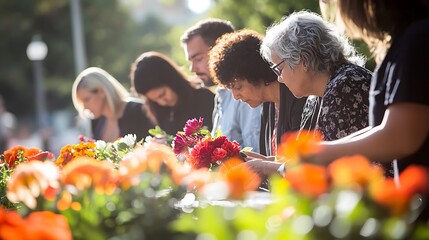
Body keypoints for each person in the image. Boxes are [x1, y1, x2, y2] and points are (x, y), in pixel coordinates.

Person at [245, 10, 373, 179]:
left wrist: (270, 168)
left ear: (303, 61)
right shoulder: (314, 96)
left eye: (279, 69)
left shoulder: (347, 85)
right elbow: (313, 158)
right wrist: (267, 162)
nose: (280, 79)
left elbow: (336, 167)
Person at [208, 29, 309, 158]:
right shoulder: (268, 105)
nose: (235, 96)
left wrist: (263, 164)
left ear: (255, 74)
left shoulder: (297, 98)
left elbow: (302, 160)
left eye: (238, 87)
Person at [181, 18, 262, 153]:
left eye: (198, 59)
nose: (192, 69)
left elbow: (257, 153)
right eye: (191, 61)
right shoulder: (221, 93)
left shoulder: (248, 94)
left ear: (220, 51)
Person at [130, 51, 214, 135]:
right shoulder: (157, 111)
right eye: (155, 100)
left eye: (162, 94)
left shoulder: (204, 99)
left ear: (172, 80)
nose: (162, 102)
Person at [72, 67, 156, 142]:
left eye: (87, 99)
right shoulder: (96, 122)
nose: (84, 107)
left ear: (101, 91)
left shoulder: (139, 110)